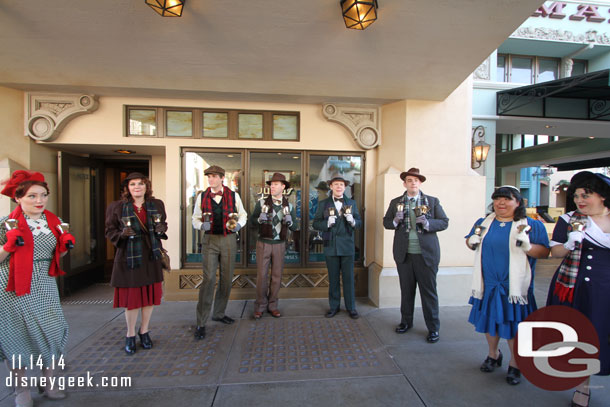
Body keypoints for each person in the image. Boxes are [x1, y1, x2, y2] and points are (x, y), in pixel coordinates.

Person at [0, 170, 75, 406]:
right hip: (12, 286)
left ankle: (49, 382)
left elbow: (54, 256)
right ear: (18, 198)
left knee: (53, 332)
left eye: (43, 195)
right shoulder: (5, 224)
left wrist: (64, 246)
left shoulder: (53, 222)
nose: (39, 201)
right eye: (32, 196)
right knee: (17, 338)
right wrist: (8, 246)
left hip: (44, 282)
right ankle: (21, 390)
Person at [466, 186, 549, 386]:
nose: (501, 203)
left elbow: (544, 252)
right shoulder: (484, 223)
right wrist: (472, 241)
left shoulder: (531, 225)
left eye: (507, 199)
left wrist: (528, 246)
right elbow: (470, 242)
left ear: (518, 202)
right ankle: (493, 355)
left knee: (513, 325)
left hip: (515, 287)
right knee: (490, 322)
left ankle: (516, 363)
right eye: (497, 199)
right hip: (489, 283)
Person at [546, 171, 610, 407]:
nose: (580, 200)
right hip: (576, 288)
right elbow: (556, 252)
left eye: (586, 195)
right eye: (576, 196)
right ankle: (582, 388)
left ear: (602, 196)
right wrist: (569, 243)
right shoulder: (570, 220)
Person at [382, 168, 449, 343]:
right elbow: (386, 222)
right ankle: (406, 322)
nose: (413, 183)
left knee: (429, 293)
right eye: (410, 180)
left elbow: (444, 222)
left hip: (426, 255)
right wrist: (396, 220)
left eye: (416, 180)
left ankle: (433, 328)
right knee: (406, 291)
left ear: (420, 183)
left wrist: (427, 223)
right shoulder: (396, 202)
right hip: (404, 254)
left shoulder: (432, 202)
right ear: (405, 183)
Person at [105, 172, 168, 355]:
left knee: (149, 297)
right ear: (127, 188)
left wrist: (161, 228)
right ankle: (130, 334)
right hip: (129, 256)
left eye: (141, 183)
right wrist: (121, 235)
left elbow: (162, 225)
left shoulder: (156, 204)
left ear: (146, 186)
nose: (137, 187)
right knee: (132, 300)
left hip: (150, 255)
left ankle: (145, 331)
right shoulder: (117, 207)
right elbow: (110, 231)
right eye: (133, 184)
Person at [192, 165, 247, 340]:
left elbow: (243, 214)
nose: (211, 179)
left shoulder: (233, 195)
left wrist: (239, 225)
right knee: (208, 279)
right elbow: (195, 218)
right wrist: (201, 225)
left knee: (226, 278)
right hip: (209, 241)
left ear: (222, 178)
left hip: (229, 240)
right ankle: (201, 321)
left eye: (214, 176)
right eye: (209, 177)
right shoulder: (202, 196)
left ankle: (219, 312)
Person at [313, 174, 362, 319]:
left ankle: (351, 308)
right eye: (336, 184)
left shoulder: (352, 203)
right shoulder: (323, 204)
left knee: (348, 279)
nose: (339, 187)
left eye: (341, 184)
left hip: (347, 247)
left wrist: (352, 221)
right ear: (331, 187)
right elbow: (316, 223)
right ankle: (334, 307)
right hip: (331, 246)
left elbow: (359, 222)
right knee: (333, 279)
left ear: (345, 187)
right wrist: (326, 224)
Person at [250, 172, 298, 319]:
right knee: (261, 276)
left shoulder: (289, 206)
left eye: (276, 184)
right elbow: (251, 222)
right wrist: (259, 219)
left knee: (277, 276)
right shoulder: (261, 203)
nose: (272, 187)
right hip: (263, 243)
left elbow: (295, 227)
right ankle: (260, 306)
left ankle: (273, 305)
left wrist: (290, 221)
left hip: (279, 244)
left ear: (283, 187)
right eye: (271, 184)